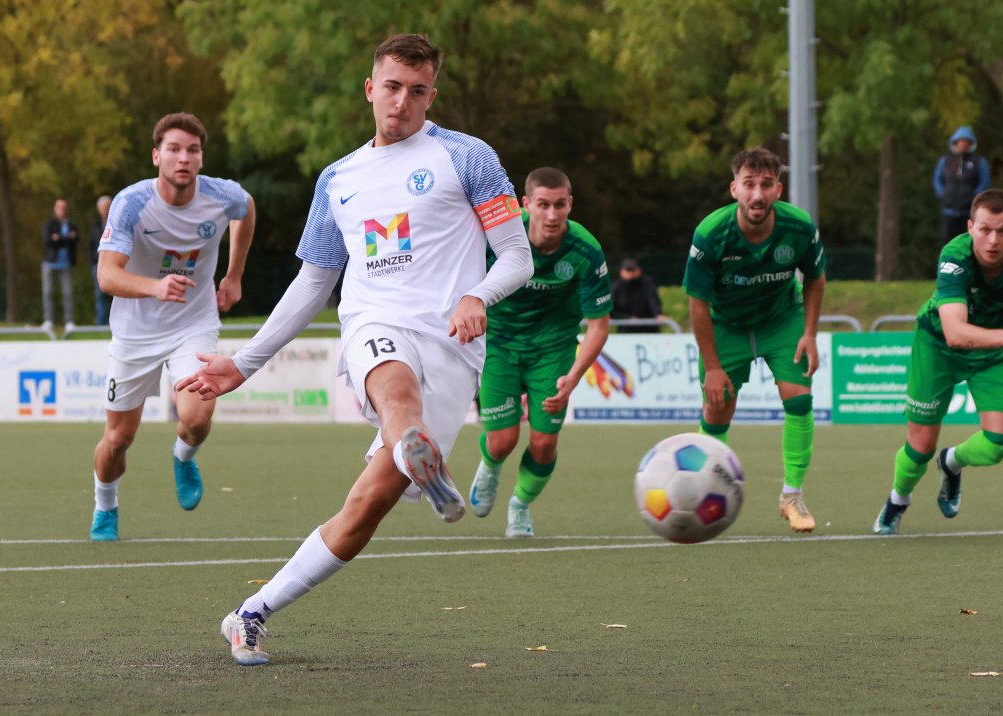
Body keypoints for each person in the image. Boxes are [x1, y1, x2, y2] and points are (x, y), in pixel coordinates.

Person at [175, 34, 532, 666]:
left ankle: (249, 613)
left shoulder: (467, 157)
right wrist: (244, 361)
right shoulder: (337, 179)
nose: (402, 102)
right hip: (375, 322)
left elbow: (517, 255)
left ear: (431, 95)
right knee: (396, 390)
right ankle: (415, 448)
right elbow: (314, 281)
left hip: (453, 346)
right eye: (391, 87)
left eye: (417, 91)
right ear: (370, 88)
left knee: (364, 508)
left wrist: (478, 296)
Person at [89, 112, 256, 542]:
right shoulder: (131, 203)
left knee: (198, 419)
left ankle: (184, 457)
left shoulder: (223, 196)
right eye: (175, 149)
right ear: (156, 156)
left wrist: (234, 274)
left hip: (193, 325)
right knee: (117, 439)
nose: (184, 158)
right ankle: (105, 506)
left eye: (193, 150)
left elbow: (247, 208)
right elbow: (107, 276)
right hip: (135, 334)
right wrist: (155, 286)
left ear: (201, 158)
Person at [873, 189, 1003, 535]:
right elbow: (956, 333)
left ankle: (952, 462)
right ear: (969, 227)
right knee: (919, 448)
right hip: (939, 347)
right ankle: (898, 499)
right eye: (985, 230)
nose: (993, 240)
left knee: (1000, 444)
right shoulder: (954, 257)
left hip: (996, 351)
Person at [682, 147, 826, 534]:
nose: (757, 194)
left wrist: (810, 333)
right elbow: (696, 303)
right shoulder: (711, 234)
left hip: (781, 321)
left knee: (800, 398)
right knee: (717, 413)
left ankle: (792, 496)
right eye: (749, 185)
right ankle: (704, 492)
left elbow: (815, 278)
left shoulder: (799, 228)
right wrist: (712, 366)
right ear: (734, 189)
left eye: (765, 185)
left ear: (778, 189)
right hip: (725, 325)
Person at [468, 167, 612, 538]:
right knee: (503, 440)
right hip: (498, 343)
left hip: (554, 348)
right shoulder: (495, 238)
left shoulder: (585, 250)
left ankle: (520, 505)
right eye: (543, 205)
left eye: (560, 205)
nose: (552, 215)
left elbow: (598, 325)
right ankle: (490, 464)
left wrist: (575, 376)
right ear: (525, 204)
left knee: (544, 442)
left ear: (570, 204)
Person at [933, 126, 991, 248]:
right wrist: (942, 194)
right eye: (960, 141)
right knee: (948, 244)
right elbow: (937, 179)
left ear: (971, 144)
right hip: (948, 211)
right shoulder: (945, 161)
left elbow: (984, 182)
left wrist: (974, 198)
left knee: (968, 244)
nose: (963, 144)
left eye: (966, 142)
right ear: (955, 142)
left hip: (968, 212)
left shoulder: (979, 162)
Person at [40, 198, 79, 332]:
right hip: (50, 263)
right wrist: (67, 238)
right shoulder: (49, 224)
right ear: (55, 209)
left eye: (64, 207)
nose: (61, 210)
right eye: (59, 207)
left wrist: (59, 238)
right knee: (48, 292)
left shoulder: (72, 225)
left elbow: (75, 240)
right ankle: (48, 320)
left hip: (66, 263)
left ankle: (69, 321)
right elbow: (48, 241)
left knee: (67, 293)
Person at [610, 257, 664, 333]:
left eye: (633, 270)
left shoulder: (647, 283)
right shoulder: (617, 287)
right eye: (628, 270)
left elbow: (653, 300)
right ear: (621, 272)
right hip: (626, 331)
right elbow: (613, 311)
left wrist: (658, 314)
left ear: (639, 270)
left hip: (649, 329)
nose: (630, 273)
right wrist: (628, 318)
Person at [88, 195, 113, 326]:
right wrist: (94, 261)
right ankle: (101, 324)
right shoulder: (94, 226)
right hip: (98, 265)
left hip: (115, 265)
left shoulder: (117, 223)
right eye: (103, 208)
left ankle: (114, 322)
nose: (105, 210)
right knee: (99, 294)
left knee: (116, 294)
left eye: (107, 208)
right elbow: (91, 246)